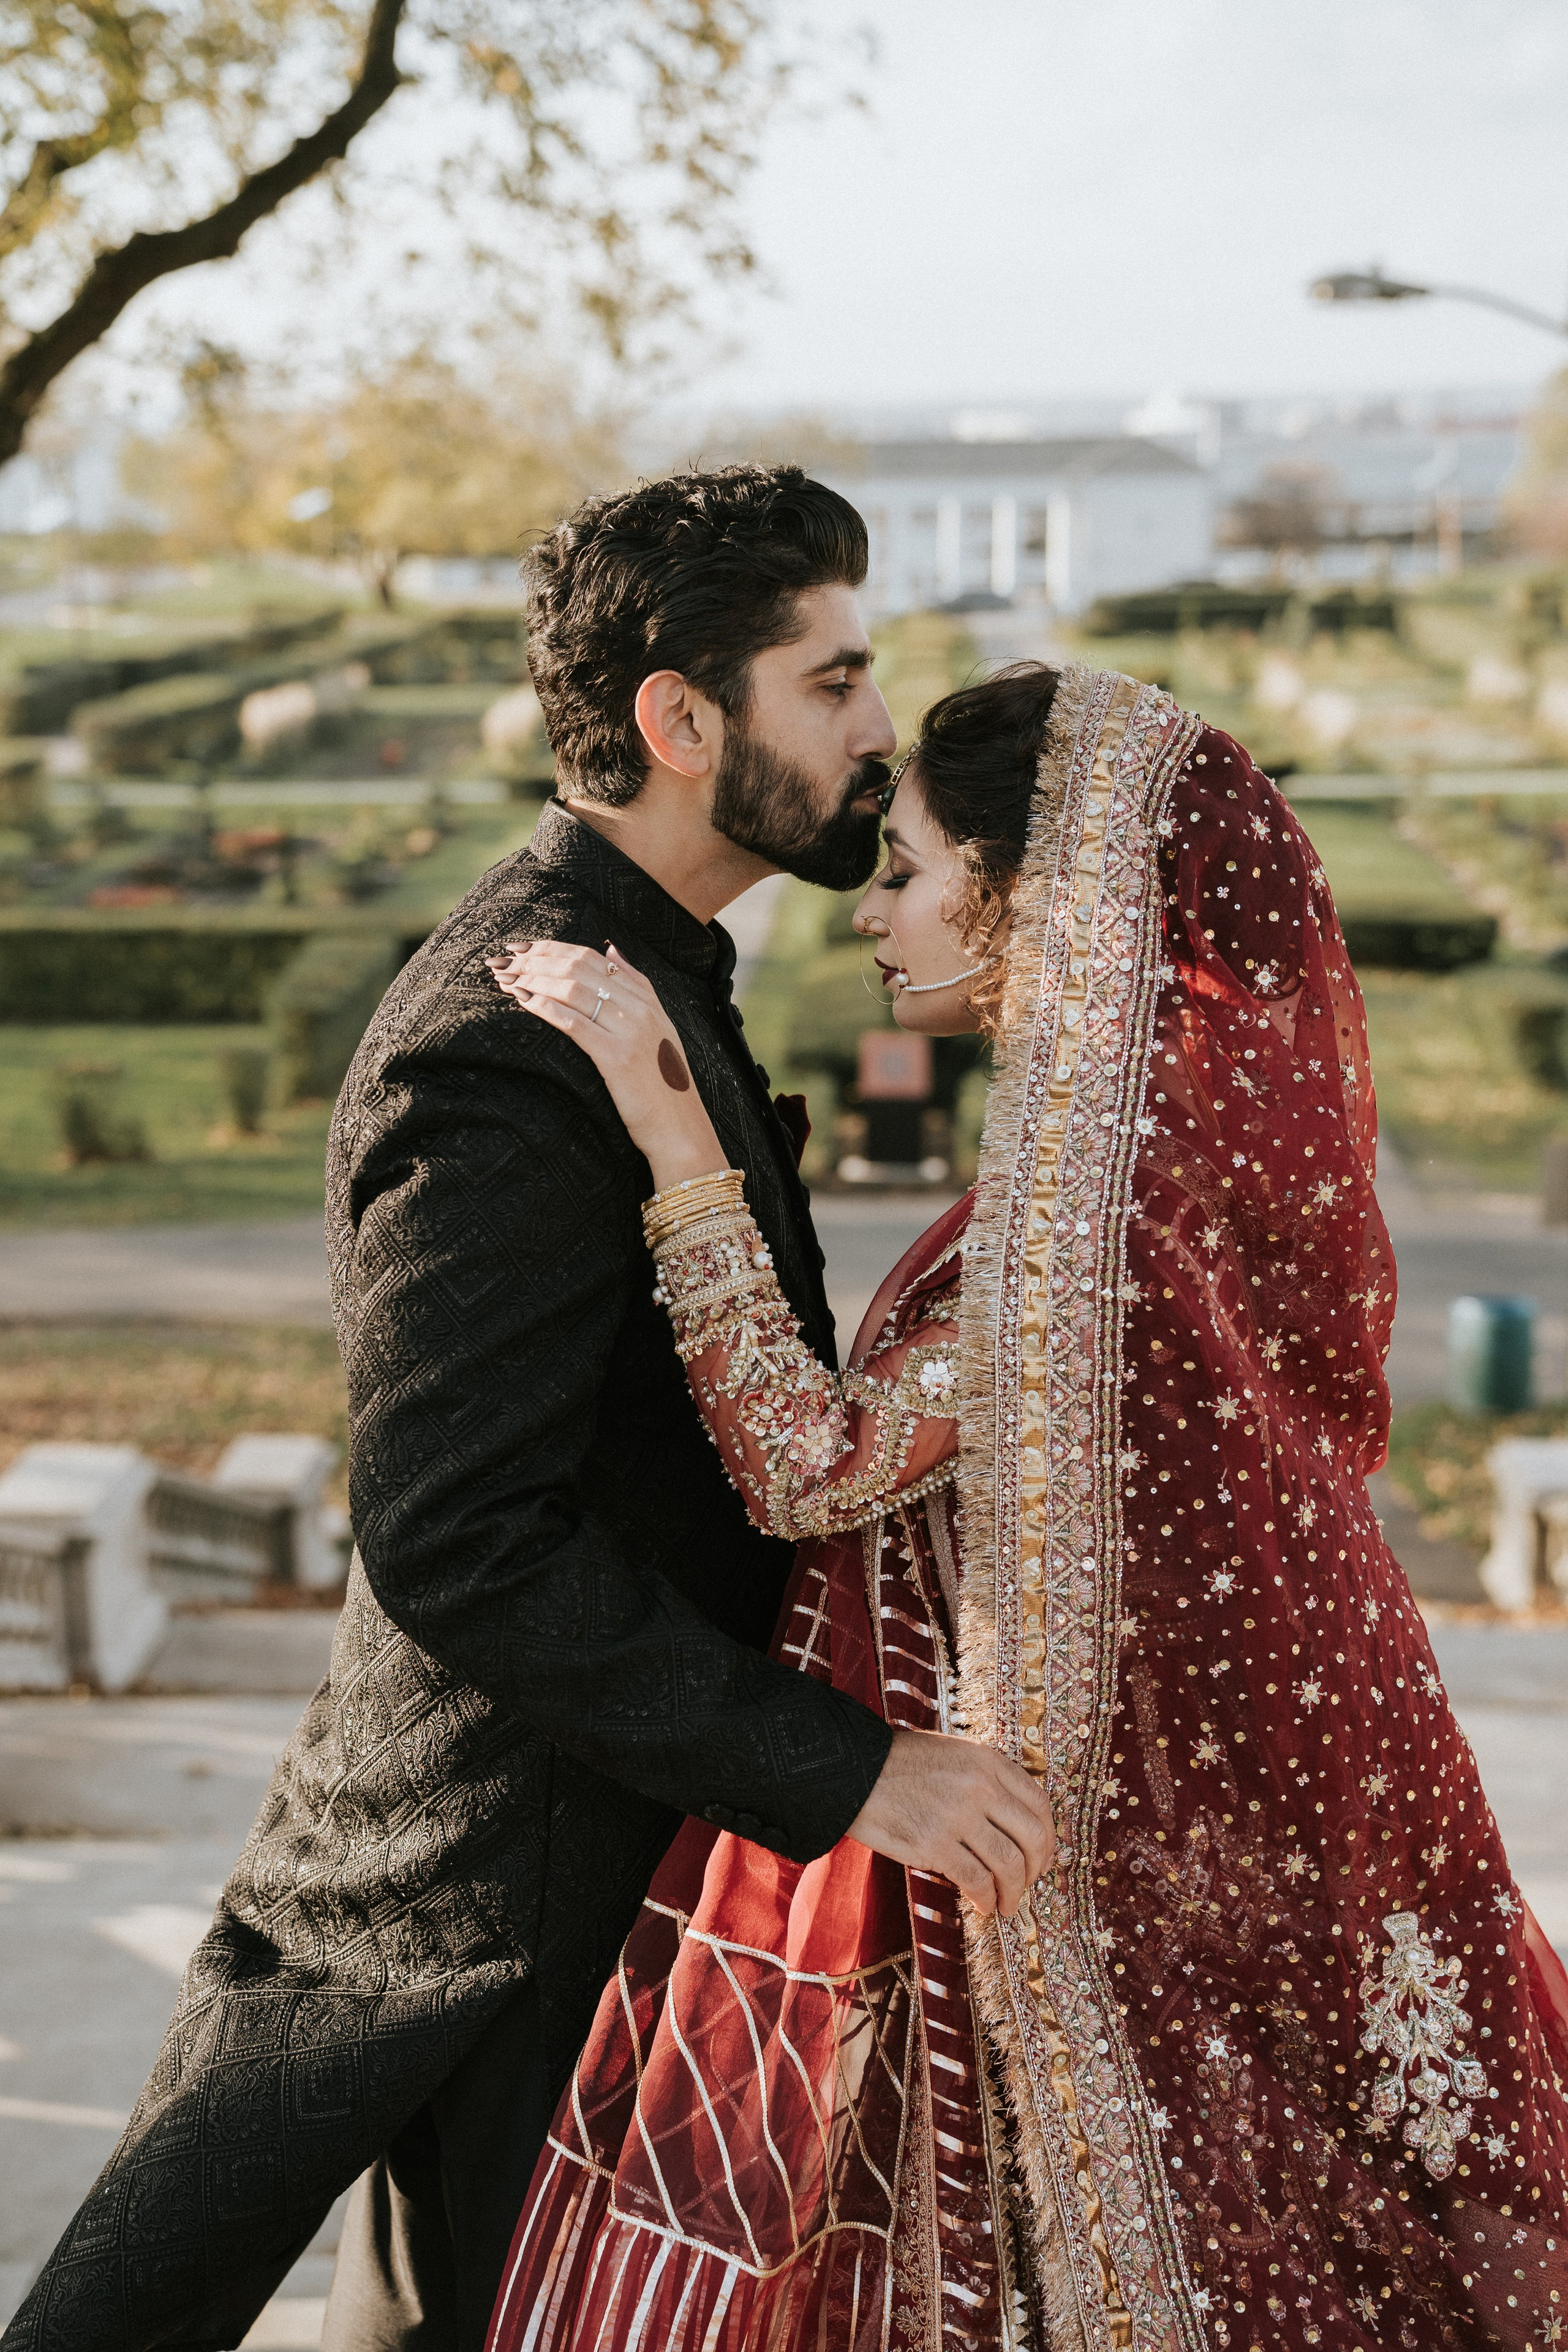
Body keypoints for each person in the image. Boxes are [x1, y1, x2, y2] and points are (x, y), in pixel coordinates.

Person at [2, 467, 1050, 2352]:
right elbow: (456, 1538)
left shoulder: (652, 983)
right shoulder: (509, 1038)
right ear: (680, 719)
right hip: (488, 1889)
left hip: (607, 1868)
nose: (880, 729)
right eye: (836, 680)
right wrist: (848, 1769)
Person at [486, 660, 1568, 2352]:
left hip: (1086, 1866)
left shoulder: (1083, 1238)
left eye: (911, 870)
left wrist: (667, 1118)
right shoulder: (1167, 1164)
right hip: (1267, 1820)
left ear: (1032, 897)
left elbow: (809, 1465)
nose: (876, 911)